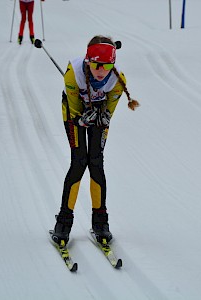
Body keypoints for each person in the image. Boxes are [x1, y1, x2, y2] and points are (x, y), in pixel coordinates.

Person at [51, 35, 140, 245]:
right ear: (88, 61)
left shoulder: (118, 81)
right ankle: (63, 221)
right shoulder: (73, 74)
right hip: (74, 113)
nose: (101, 70)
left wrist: (102, 116)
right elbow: (74, 111)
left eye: (107, 65)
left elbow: (109, 111)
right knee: (79, 161)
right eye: (96, 65)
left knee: (96, 162)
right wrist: (82, 119)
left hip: (97, 112)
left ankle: (100, 222)